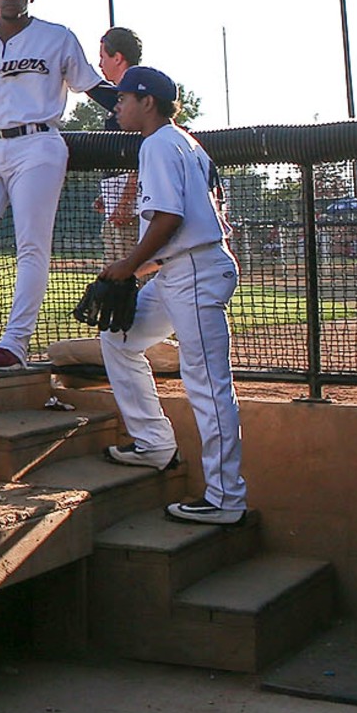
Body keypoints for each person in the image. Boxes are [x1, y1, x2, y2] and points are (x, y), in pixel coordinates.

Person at [98, 68, 248, 525]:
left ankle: (226, 499)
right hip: (183, 268)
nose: (117, 106)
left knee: (207, 385)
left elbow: (169, 218)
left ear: (148, 102)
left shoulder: (159, 143)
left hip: (196, 271)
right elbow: (184, 223)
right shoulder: (185, 142)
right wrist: (138, 267)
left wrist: (128, 265)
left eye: (123, 98)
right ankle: (154, 443)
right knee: (119, 339)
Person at [0, 0, 107, 372]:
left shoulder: (57, 36)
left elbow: (91, 85)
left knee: (31, 245)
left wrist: (134, 105)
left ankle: (14, 342)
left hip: (38, 143)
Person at [95, 27, 146, 255]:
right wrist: (108, 197)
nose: (100, 64)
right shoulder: (120, 99)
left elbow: (142, 154)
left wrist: (126, 201)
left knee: (133, 272)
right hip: (118, 210)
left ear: (117, 58)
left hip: (134, 213)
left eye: (102, 57)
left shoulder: (137, 100)